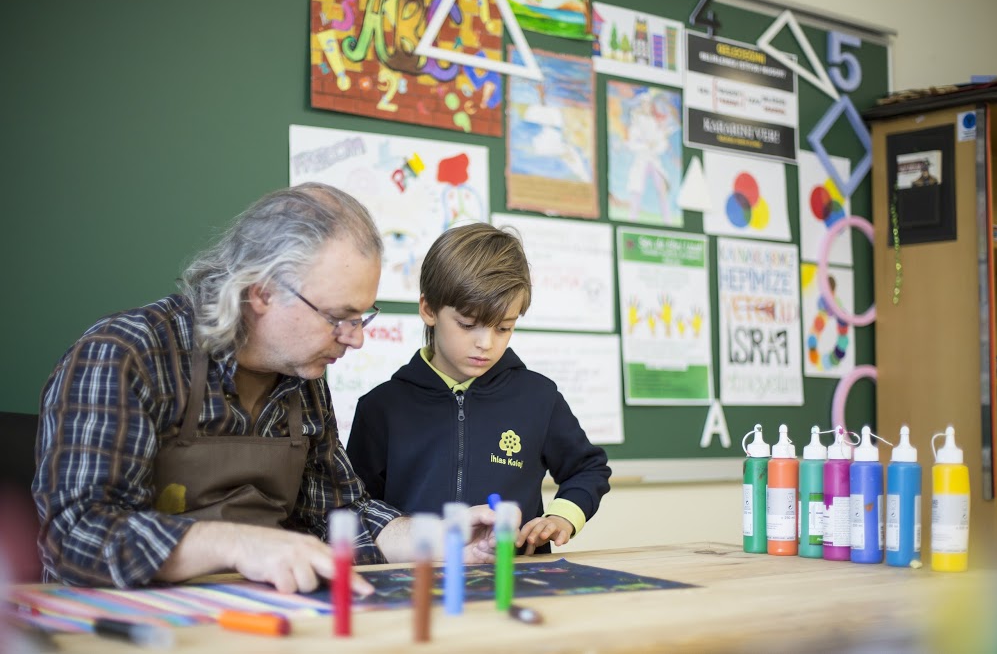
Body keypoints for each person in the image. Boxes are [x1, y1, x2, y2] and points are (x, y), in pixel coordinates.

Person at [32, 183, 503, 593]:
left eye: (362, 317)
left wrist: (434, 538)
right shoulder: (127, 354)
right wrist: (241, 544)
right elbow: (78, 535)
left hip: (268, 618)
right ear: (261, 290)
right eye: (339, 317)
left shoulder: (303, 380)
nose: (355, 338)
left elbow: (341, 513)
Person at [347, 223, 611, 555]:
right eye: (468, 325)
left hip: (516, 580)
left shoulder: (539, 397)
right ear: (429, 310)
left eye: (504, 328)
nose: (485, 343)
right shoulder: (381, 408)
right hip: (416, 580)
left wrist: (563, 516)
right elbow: (357, 506)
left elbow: (588, 468)